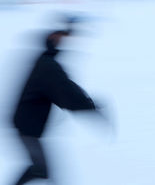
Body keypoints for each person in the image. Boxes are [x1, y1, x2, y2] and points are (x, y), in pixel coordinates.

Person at [11, 25, 106, 185]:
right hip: (27, 128)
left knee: (42, 169)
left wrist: (88, 103)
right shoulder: (47, 66)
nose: (64, 41)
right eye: (60, 38)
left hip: (27, 126)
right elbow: (66, 92)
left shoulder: (46, 62)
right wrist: (89, 106)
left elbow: (66, 88)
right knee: (41, 169)